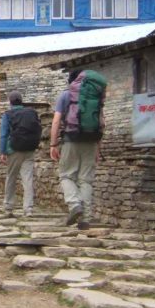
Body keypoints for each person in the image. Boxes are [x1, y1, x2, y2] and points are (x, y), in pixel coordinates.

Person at [49, 69, 106, 229]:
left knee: (66, 175)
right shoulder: (95, 96)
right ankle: (85, 218)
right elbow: (101, 122)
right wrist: (98, 148)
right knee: (86, 179)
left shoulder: (65, 95)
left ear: (71, 82)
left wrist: (53, 144)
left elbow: (56, 121)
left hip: (71, 139)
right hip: (91, 140)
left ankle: (74, 205)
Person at [0, 91, 40, 216]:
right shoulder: (31, 112)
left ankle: (8, 206)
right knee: (27, 179)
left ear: (10, 102)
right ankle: (28, 208)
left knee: (11, 177)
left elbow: (4, 135)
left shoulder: (8, 115)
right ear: (21, 101)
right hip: (29, 149)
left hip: (14, 149)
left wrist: (3, 151)